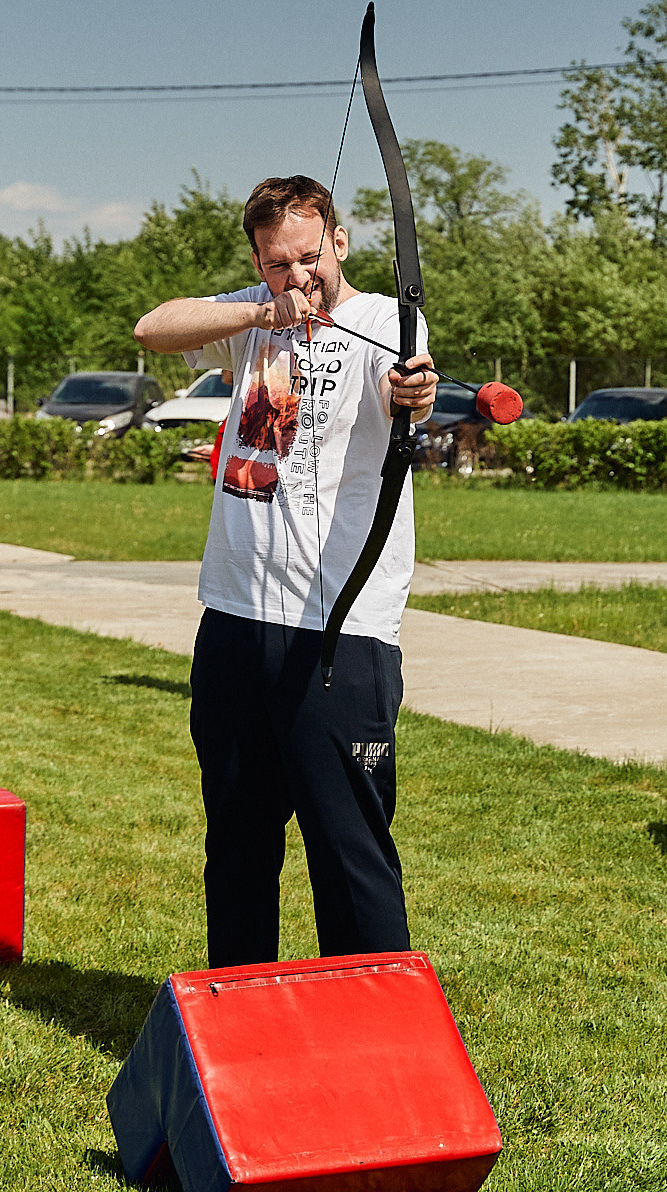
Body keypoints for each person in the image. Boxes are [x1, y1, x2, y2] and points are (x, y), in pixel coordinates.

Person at [131, 176, 439, 970]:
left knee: (349, 853)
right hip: (234, 619)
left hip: (339, 630)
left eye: (309, 255)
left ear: (339, 241)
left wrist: (414, 393)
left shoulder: (382, 319)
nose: (298, 274)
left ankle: (374, 1026)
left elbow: (404, 385)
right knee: (237, 842)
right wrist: (263, 310)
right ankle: (240, 1013)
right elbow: (152, 327)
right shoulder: (254, 315)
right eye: (277, 262)